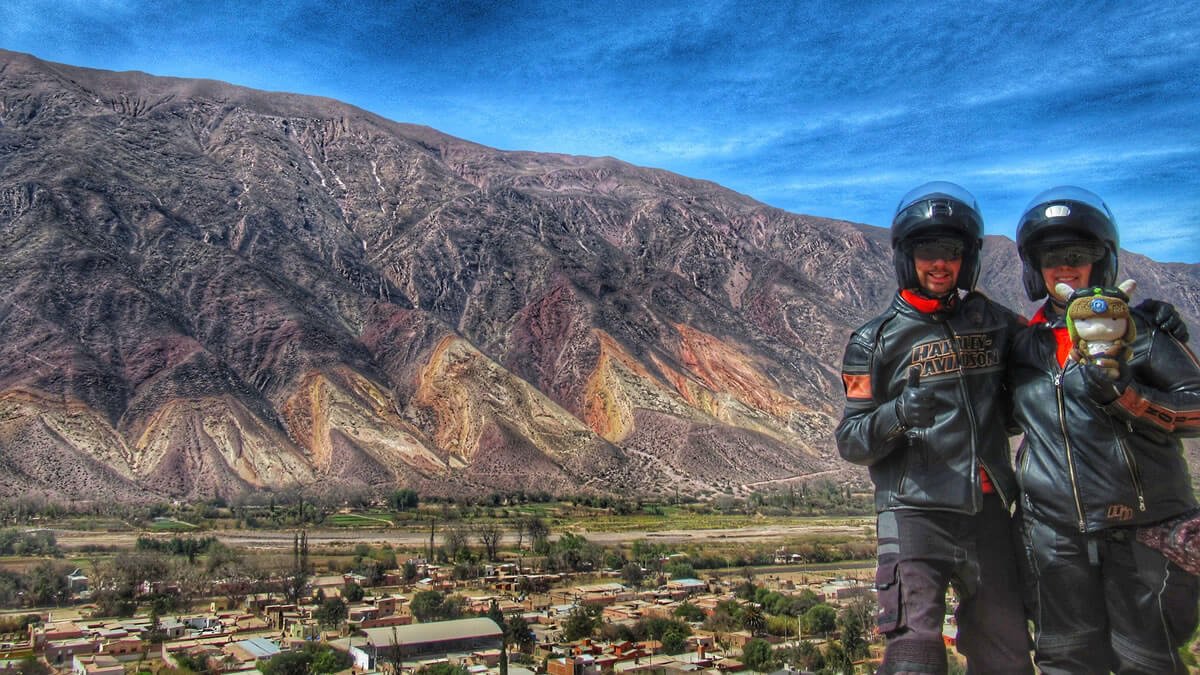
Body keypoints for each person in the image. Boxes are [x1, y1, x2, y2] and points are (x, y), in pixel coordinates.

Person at [836, 182, 1033, 674]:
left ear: (966, 258)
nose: (940, 264)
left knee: (1006, 652)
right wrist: (899, 414)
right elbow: (851, 440)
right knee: (914, 653)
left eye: (951, 251)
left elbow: (1052, 348)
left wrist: (1141, 322)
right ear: (907, 257)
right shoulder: (872, 341)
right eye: (927, 251)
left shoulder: (994, 320)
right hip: (911, 512)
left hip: (987, 506)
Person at [1010, 185, 1200, 674]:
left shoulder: (1142, 333)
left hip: (1142, 534)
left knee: (1148, 661)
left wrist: (1130, 397)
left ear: (1103, 260)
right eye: (1052, 256)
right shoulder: (1022, 346)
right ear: (1035, 267)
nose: (1066, 266)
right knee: (1065, 660)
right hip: (1054, 538)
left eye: (1080, 254)